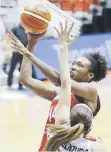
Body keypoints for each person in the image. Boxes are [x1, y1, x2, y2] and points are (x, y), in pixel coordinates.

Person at [7, 21, 107, 151]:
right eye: (74, 62)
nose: (73, 66)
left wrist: (28, 54)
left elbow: (61, 80)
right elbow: (25, 79)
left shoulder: (91, 93)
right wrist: (31, 43)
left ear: (90, 76)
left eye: (80, 65)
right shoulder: (60, 96)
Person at [7, 23, 36, 90]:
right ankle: (9, 84)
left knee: (22, 68)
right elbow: (8, 37)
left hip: (24, 52)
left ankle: (20, 85)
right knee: (12, 67)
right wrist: (12, 47)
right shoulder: (15, 28)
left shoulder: (27, 29)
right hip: (16, 51)